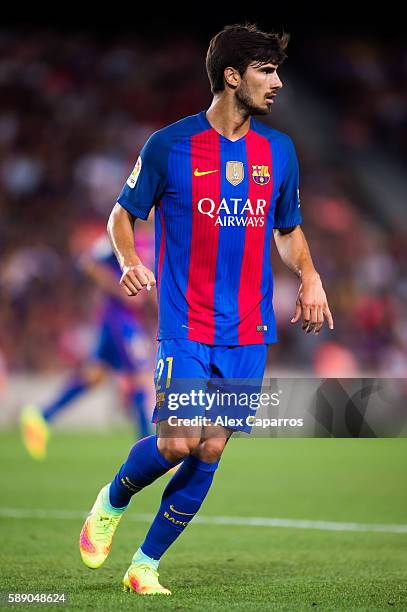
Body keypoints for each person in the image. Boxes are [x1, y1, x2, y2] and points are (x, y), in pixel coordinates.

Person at [79, 23, 334, 596]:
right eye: (267, 71)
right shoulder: (169, 145)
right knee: (177, 441)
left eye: (278, 71)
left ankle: (145, 565)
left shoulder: (280, 152)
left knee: (212, 445)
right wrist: (125, 260)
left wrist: (312, 276)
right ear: (232, 76)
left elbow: (287, 231)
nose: (278, 83)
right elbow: (123, 214)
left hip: (249, 331)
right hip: (186, 322)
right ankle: (113, 497)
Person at [21, 235, 153, 460]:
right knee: (140, 377)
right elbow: (89, 262)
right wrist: (119, 289)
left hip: (126, 319)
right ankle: (149, 450)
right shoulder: (121, 229)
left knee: (94, 376)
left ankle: (41, 417)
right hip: (117, 319)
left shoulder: (153, 238)